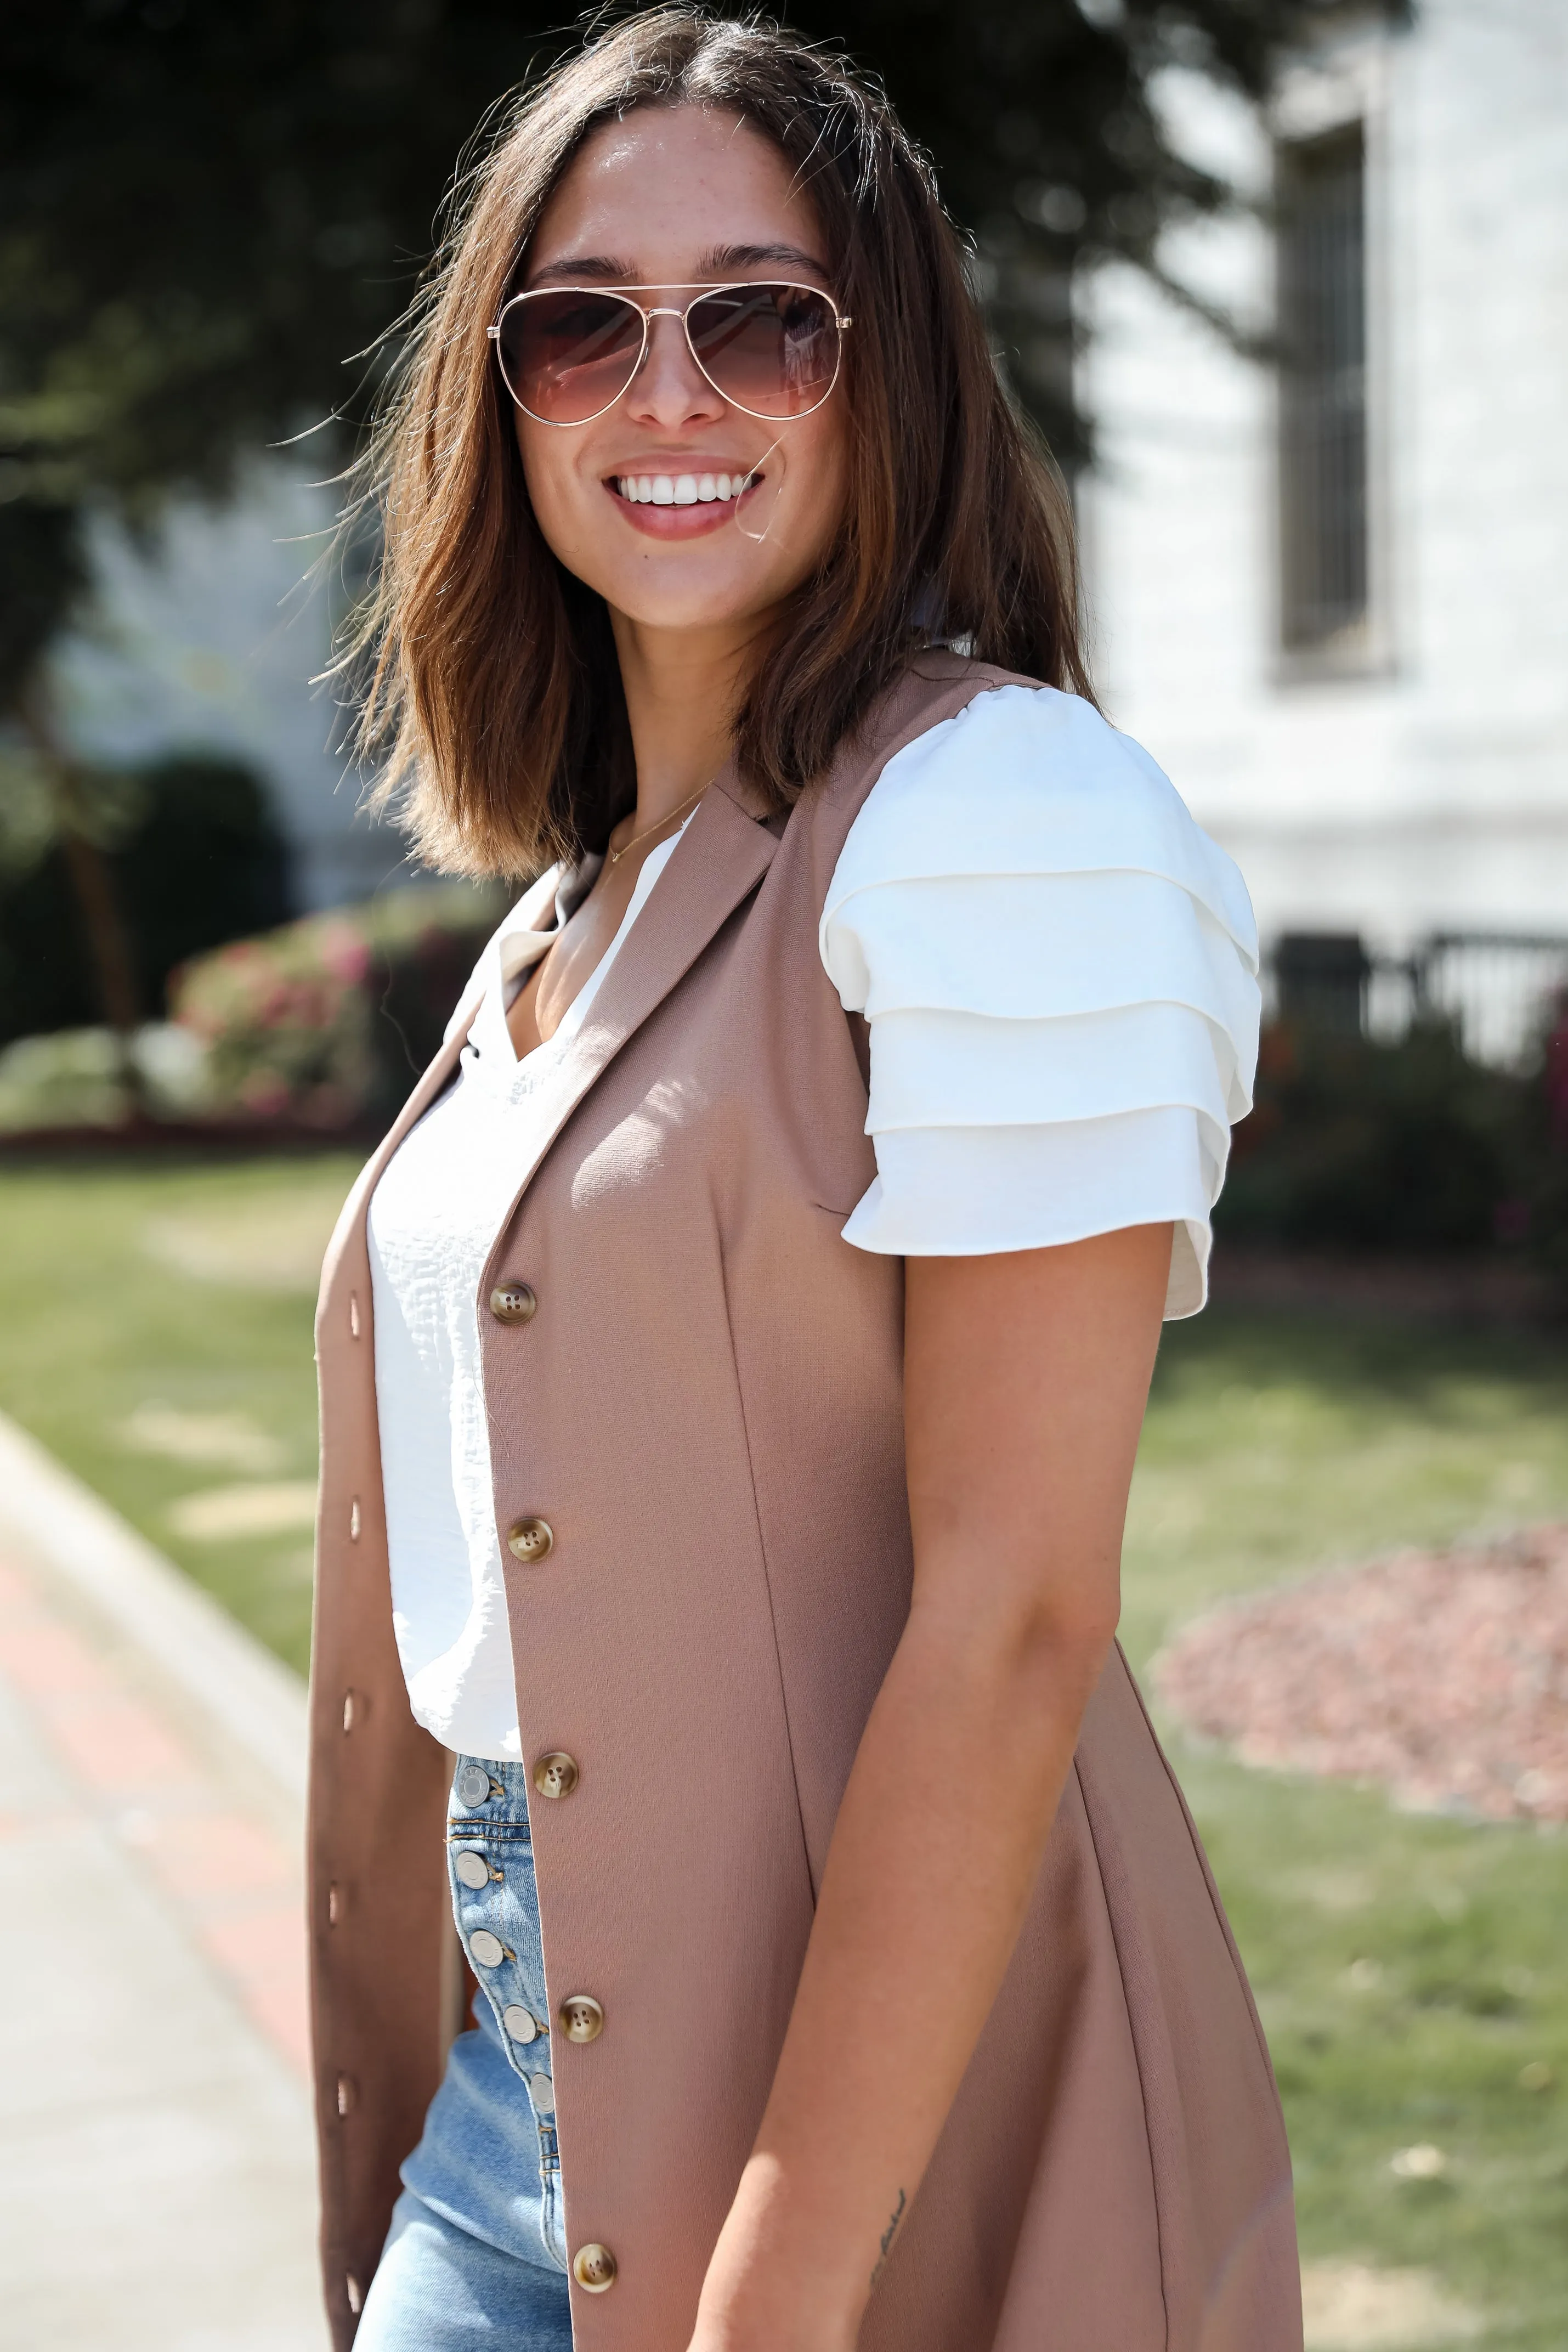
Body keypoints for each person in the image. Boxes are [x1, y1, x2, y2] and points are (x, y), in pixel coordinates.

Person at [308, 12, 1300, 2351]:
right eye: (583, 327)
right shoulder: (577, 905)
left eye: (765, 317)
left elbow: (1016, 1615)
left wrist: (777, 2289)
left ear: (894, 373)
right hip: (506, 2103)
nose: (673, 392)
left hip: (881, 2151)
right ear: (501, 398)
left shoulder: (1002, 816)